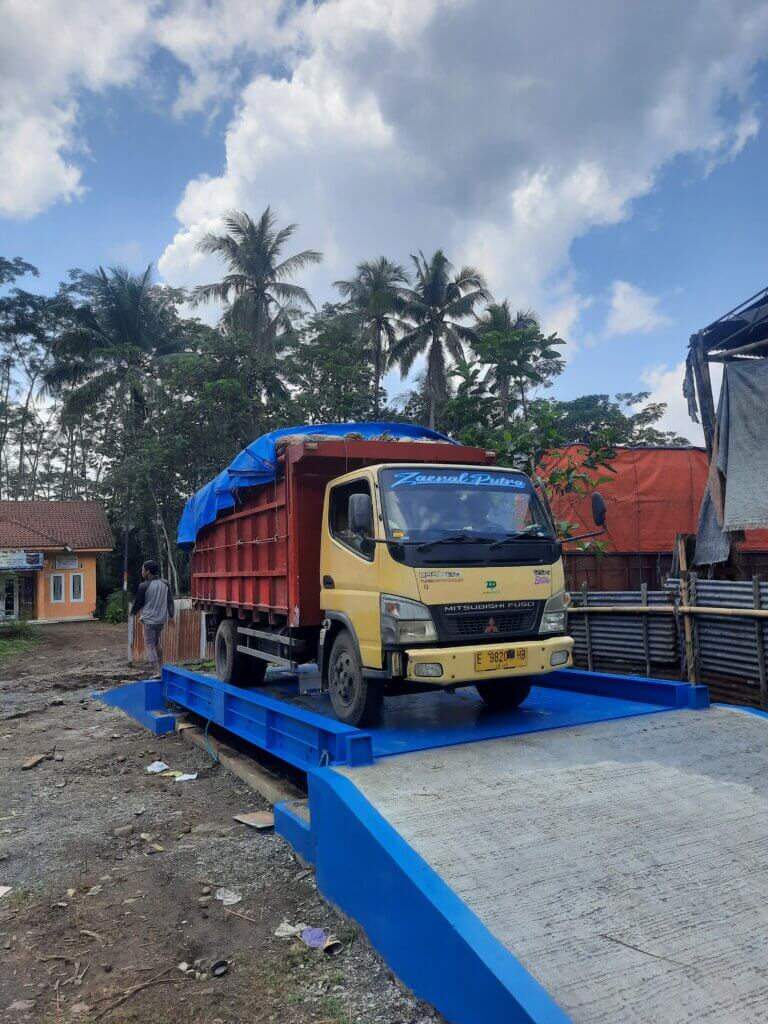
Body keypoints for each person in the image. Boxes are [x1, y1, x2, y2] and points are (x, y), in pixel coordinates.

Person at [130, 560, 175, 671]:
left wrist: (132, 613)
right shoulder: (166, 583)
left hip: (149, 621)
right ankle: (161, 667)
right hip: (161, 620)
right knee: (156, 643)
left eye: (142, 570)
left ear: (148, 571)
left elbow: (138, 603)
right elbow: (170, 601)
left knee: (150, 645)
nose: (142, 572)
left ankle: (156, 672)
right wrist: (171, 616)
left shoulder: (143, 586)